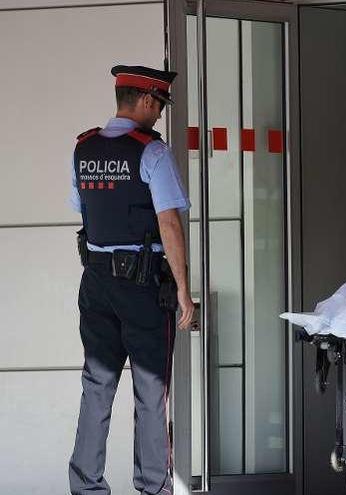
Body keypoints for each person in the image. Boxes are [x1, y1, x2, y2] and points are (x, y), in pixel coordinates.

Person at [68, 65, 194, 495]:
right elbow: (169, 225)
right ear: (143, 100)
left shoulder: (83, 150)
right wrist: (184, 291)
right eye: (158, 105)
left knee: (97, 383)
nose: (158, 114)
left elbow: (82, 208)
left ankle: (85, 487)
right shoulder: (151, 152)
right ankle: (153, 488)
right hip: (142, 287)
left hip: (97, 282)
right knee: (150, 389)